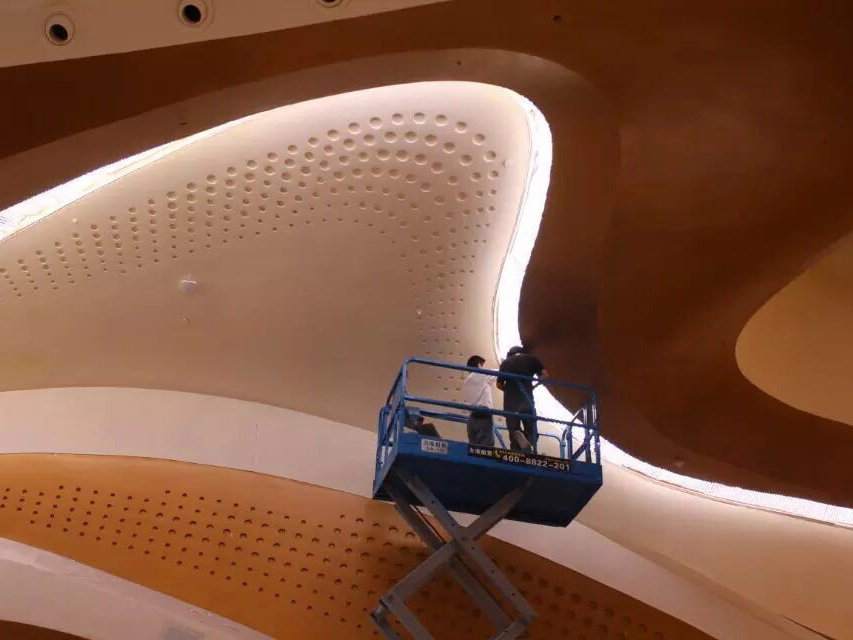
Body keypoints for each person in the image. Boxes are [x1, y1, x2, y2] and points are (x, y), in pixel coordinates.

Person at [497, 345, 549, 452]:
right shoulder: (531, 359)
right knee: (531, 428)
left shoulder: (505, 363)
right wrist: (534, 386)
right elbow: (545, 375)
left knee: (513, 429)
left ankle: (517, 443)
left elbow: (499, 384)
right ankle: (530, 444)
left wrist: (507, 390)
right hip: (526, 398)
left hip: (510, 402)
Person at [462, 354, 495, 447]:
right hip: (483, 416)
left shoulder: (467, 381)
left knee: (475, 449)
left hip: (472, 419)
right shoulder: (480, 375)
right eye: (483, 365)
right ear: (479, 365)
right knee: (486, 448)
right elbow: (499, 373)